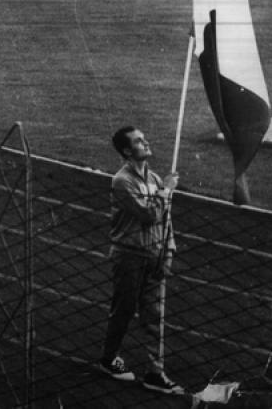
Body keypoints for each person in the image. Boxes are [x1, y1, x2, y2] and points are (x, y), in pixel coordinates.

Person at [98, 126, 184, 395]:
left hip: (155, 254)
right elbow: (148, 214)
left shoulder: (155, 178)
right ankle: (109, 358)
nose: (145, 143)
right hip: (130, 256)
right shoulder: (123, 181)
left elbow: (166, 220)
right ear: (126, 150)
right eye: (138, 141)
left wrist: (168, 251)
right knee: (123, 310)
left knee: (154, 315)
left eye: (144, 138)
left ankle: (155, 373)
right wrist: (167, 191)